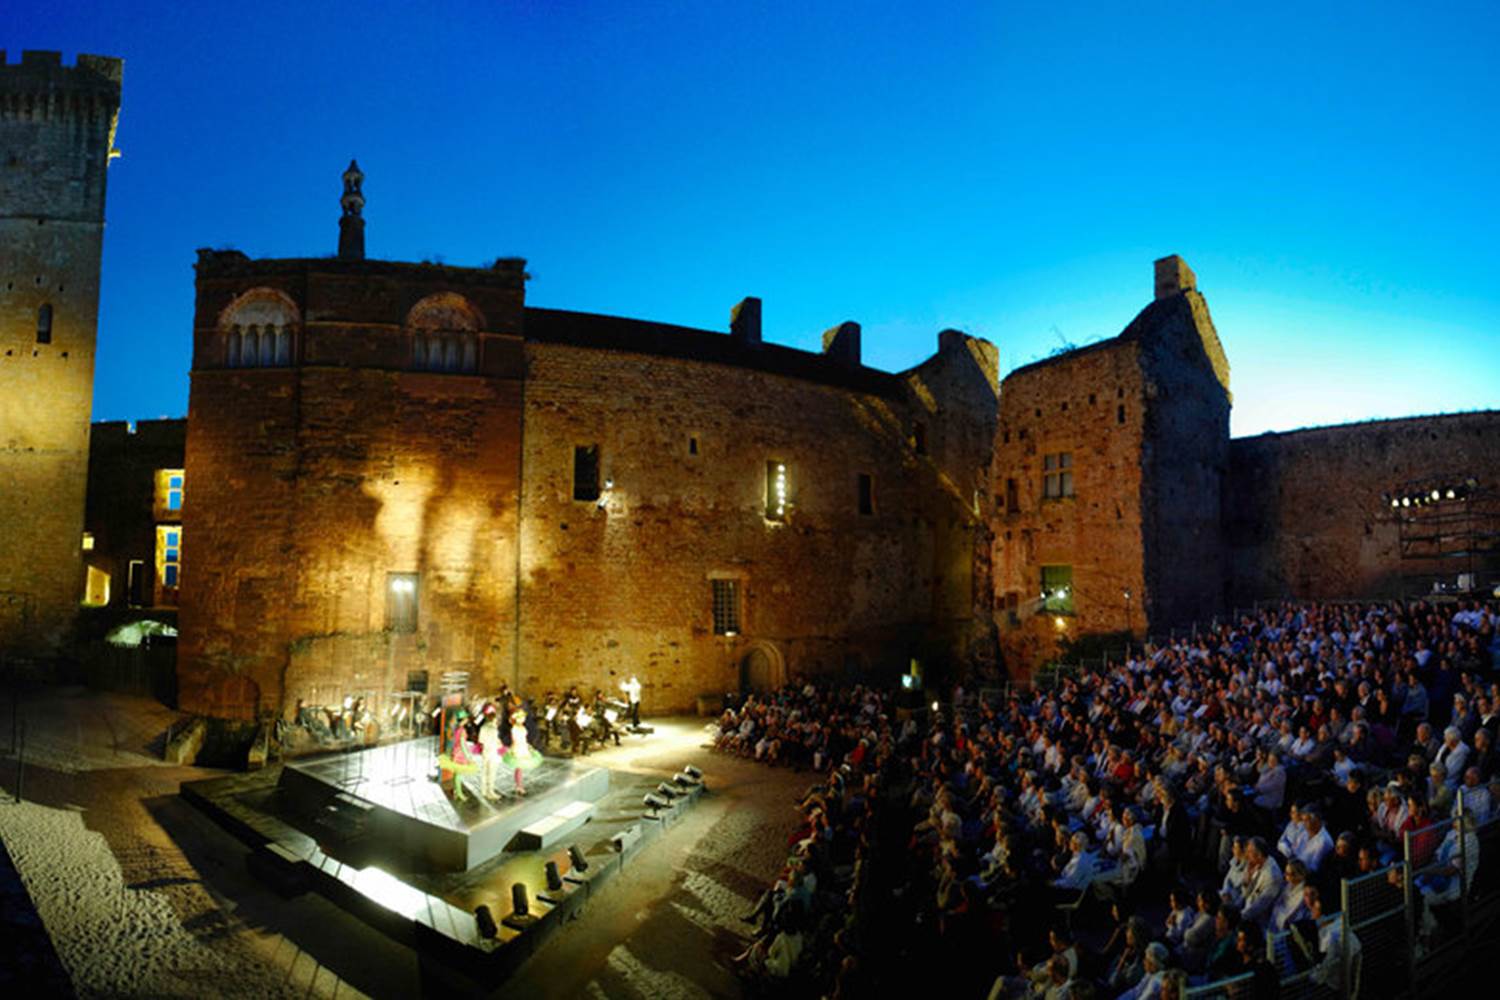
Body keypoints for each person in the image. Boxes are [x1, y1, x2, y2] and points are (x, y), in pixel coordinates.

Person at [437, 707, 479, 802]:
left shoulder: (456, 729)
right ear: (463, 720)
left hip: (455, 752)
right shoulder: (462, 730)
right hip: (460, 754)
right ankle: (459, 793)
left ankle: (457, 791)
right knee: (459, 774)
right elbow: (463, 744)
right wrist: (468, 757)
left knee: (457, 774)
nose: (467, 720)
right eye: (466, 719)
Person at [503, 708, 543, 795]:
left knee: (520, 768)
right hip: (518, 748)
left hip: (523, 746)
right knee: (518, 767)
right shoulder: (514, 728)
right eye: (521, 718)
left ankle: (519, 785)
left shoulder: (522, 727)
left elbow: (524, 738)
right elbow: (514, 740)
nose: (523, 719)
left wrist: (527, 745)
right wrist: (513, 749)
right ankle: (519, 786)